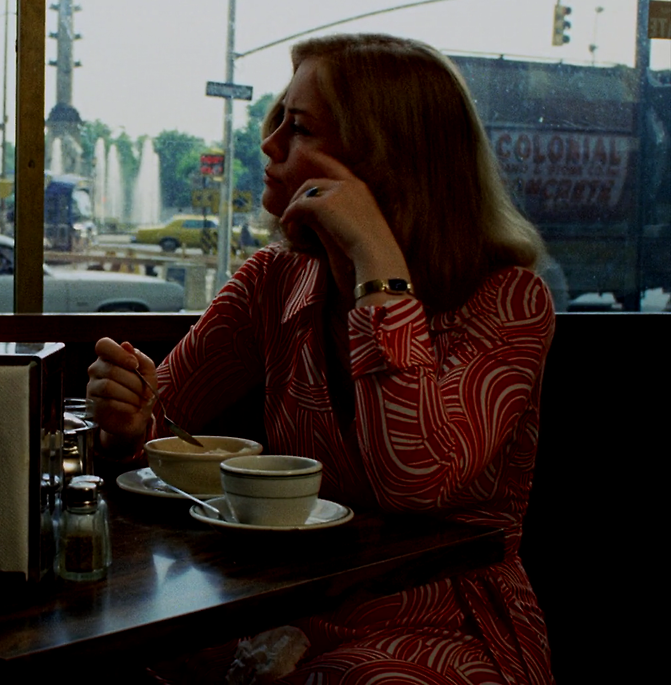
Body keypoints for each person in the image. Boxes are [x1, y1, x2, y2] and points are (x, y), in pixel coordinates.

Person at [87, 34, 554, 685]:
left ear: (382, 156)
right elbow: (165, 422)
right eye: (277, 119)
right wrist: (125, 425)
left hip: (439, 618)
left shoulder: (508, 300)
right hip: (285, 603)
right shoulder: (273, 282)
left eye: (298, 127)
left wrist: (374, 257)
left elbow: (413, 480)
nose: (269, 144)